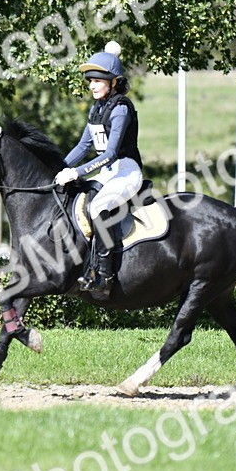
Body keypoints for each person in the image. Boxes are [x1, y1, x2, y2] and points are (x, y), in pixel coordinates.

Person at [54, 41, 143, 297]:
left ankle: (104, 274)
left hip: (126, 170)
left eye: (98, 81)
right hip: (108, 172)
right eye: (90, 81)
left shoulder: (121, 108)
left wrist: (77, 172)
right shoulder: (97, 109)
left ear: (113, 82)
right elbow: (83, 146)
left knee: (98, 207)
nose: (92, 85)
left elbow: (111, 153)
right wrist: (59, 168)